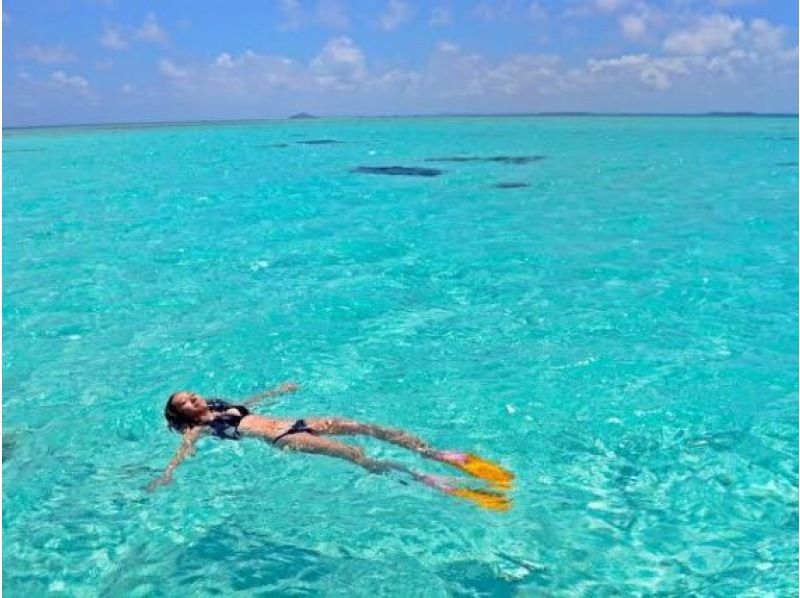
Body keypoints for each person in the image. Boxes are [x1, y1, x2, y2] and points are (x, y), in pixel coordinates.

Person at [147, 382, 514, 510]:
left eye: (192, 394)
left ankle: (434, 453)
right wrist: (168, 475)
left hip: (296, 420)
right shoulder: (200, 428)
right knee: (357, 456)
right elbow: (184, 452)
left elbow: (249, 405)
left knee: (363, 427)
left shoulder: (218, 406)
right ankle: (424, 477)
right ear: (185, 414)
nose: (194, 398)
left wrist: (277, 392)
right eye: (187, 402)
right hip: (284, 437)